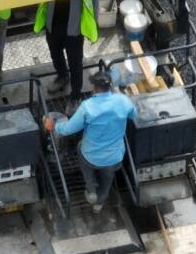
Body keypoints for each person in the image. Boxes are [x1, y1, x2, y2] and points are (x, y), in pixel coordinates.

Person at [42, 71, 135, 212]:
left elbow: (68, 129)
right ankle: (99, 204)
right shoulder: (123, 101)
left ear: (94, 88)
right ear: (110, 87)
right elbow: (134, 114)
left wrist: (54, 126)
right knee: (108, 178)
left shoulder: (87, 106)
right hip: (114, 157)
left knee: (80, 148)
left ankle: (91, 189)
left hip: (91, 156)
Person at [34, 0, 99, 97]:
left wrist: (93, 27)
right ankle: (62, 76)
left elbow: (94, 2)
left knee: (75, 63)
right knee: (55, 55)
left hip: (74, 30)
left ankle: (75, 95)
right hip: (53, 25)